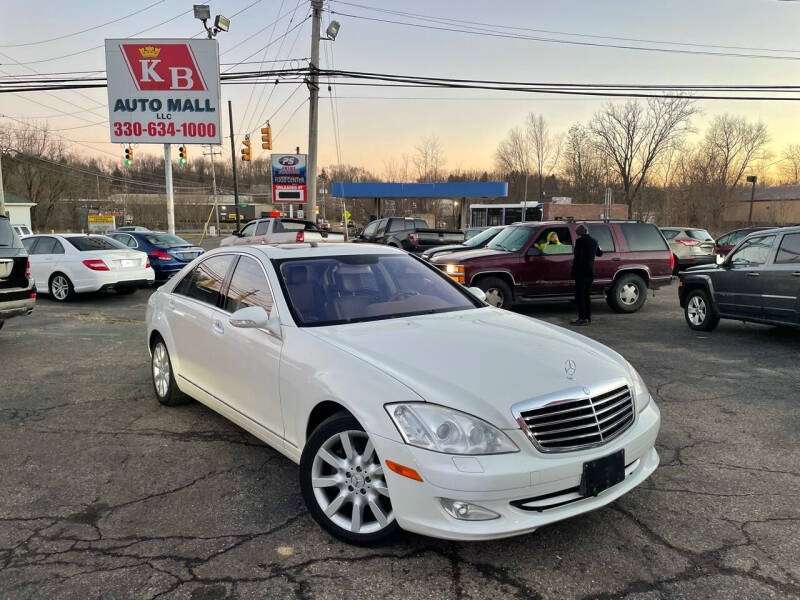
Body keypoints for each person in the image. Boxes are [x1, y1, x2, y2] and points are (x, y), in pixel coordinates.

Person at [571, 224, 603, 326]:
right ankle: (588, 318)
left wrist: (573, 271)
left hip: (581, 271)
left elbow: (577, 256)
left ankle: (582, 318)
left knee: (580, 296)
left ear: (579, 233)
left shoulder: (580, 241)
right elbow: (599, 253)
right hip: (591, 271)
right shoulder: (594, 241)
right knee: (587, 295)